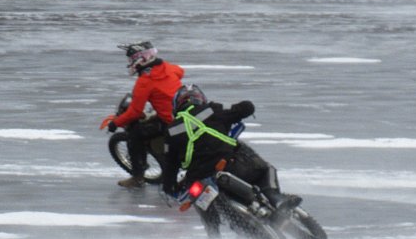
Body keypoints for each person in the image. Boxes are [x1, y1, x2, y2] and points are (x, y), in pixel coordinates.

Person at [162, 84, 301, 219]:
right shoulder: (211, 109)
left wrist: (170, 188)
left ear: (176, 105)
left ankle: (214, 237)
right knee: (265, 169)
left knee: (200, 201)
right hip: (226, 163)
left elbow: (169, 164)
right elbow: (247, 107)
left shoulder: (170, 131)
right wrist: (239, 111)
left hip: (197, 176)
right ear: (200, 98)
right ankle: (277, 199)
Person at [106, 41, 184, 188]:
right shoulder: (169, 68)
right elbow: (181, 72)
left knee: (135, 135)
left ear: (139, 59)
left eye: (131, 60)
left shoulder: (145, 82)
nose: (130, 63)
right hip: (182, 114)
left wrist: (115, 123)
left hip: (170, 122)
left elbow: (135, 111)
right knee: (153, 119)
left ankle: (138, 176)